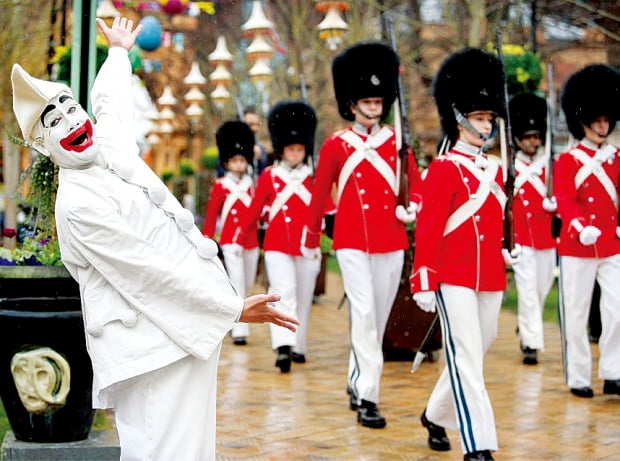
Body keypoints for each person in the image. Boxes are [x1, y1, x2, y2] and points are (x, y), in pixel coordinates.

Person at [11, 17, 298, 460]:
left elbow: (110, 105)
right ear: (47, 146)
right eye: (56, 122)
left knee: (192, 451)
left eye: (71, 108)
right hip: (149, 348)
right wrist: (231, 308)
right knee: (163, 452)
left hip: (180, 334)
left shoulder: (105, 146)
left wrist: (120, 53)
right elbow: (147, 272)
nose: (71, 121)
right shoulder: (79, 206)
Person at [302, 42, 422, 429]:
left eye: (378, 101)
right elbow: (320, 192)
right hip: (352, 241)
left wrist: (412, 206)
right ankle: (369, 395)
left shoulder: (398, 143)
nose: (373, 108)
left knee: (375, 320)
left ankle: (357, 379)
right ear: (352, 104)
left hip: (391, 240)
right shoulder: (338, 145)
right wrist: (310, 235)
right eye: (366, 102)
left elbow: (416, 185)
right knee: (366, 314)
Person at [410, 48, 516, 461]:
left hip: (489, 273)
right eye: (480, 117)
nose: (487, 124)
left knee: (476, 347)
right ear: (459, 118)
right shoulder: (444, 169)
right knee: (468, 356)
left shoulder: (494, 168)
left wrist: (512, 247)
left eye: (490, 118)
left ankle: (435, 414)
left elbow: (500, 219)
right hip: (451, 275)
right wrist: (423, 277)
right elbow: (430, 228)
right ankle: (478, 443)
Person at [236, 100, 321, 373]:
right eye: (290, 149)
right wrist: (240, 237)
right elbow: (253, 210)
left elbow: (326, 211)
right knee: (283, 294)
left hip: (308, 246)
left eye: (299, 149)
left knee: (304, 297)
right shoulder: (269, 176)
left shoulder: (314, 177)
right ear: (282, 149)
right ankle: (283, 346)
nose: (295, 154)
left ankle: (299, 344)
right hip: (277, 244)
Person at [555, 63, 620, 398]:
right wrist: (580, 226)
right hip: (577, 245)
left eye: (606, 120)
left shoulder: (616, 157)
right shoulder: (567, 161)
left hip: (612, 243)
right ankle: (578, 375)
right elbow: (564, 199)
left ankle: (614, 370)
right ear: (583, 121)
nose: (602, 126)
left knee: (617, 307)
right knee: (576, 312)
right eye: (597, 120)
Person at [508, 92, 558, 365]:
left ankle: (528, 324)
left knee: (540, 290)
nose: (532, 141)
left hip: (546, 237)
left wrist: (555, 202)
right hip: (521, 239)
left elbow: (563, 194)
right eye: (527, 136)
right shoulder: (510, 167)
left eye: (536, 136)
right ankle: (531, 343)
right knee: (527, 290)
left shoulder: (549, 167)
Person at [202, 120, 260, 346]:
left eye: (242, 160)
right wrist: (207, 239)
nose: (238, 164)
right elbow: (212, 214)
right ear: (227, 161)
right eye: (235, 160)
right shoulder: (221, 185)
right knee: (236, 282)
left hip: (251, 241)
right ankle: (239, 329)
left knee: (247, 281)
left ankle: (233, 318)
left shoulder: (251, 184)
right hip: (230, 240)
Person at [244, 107, 270, 175]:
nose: (255, 128)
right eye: (250, 124)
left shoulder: (261, 147)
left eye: (257, 124)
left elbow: (264, 173)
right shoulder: (231, 147)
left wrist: (259, 159)